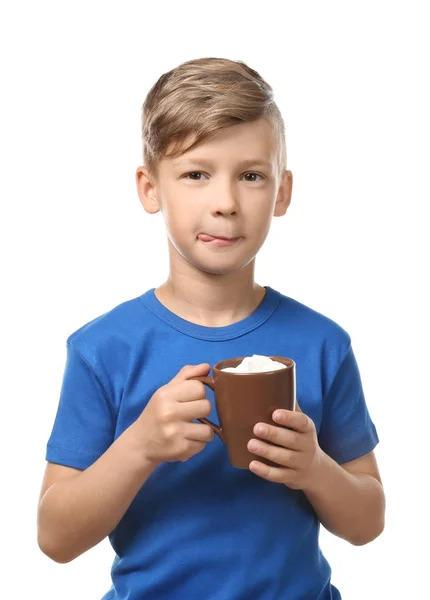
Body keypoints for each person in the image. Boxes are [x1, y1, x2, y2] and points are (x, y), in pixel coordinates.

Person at [37, 57, 385, 600]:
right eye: (196, 174)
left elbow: (367, 524)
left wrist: (315, 468)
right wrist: (140, 447)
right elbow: (55, 538)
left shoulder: (324, 344)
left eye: (251, 176)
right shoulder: (101, 349)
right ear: (150, 188)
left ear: (282, 192)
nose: (224, 204)